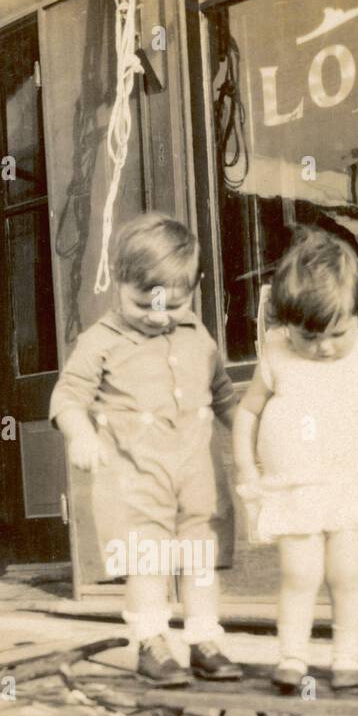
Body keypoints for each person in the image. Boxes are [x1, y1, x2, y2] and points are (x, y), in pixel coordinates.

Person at [233, 226, 358, 692]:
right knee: (298, 574)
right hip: (294, 487)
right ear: (286, 324)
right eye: (309, 336)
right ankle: (291, 656)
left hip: (353, 483)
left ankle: (347, 657)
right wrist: (247, 467)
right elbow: (247, 410)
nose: (323, 347)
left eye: (335, 334)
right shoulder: (277, 352)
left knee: (347, 574)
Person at [49, 212, 242, 687]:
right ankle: (152, 642)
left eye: (173, 305)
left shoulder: (200, 337)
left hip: (197, 476)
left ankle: (204, 640)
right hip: (135, 478)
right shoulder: (100, 341)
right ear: (119, 281)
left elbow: (225, 398)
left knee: (200, 558)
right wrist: (80, 434)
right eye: (144, 304)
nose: (159, 315)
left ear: (193, 288)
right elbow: (67, 396)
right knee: (148, 561)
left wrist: (254, 437)